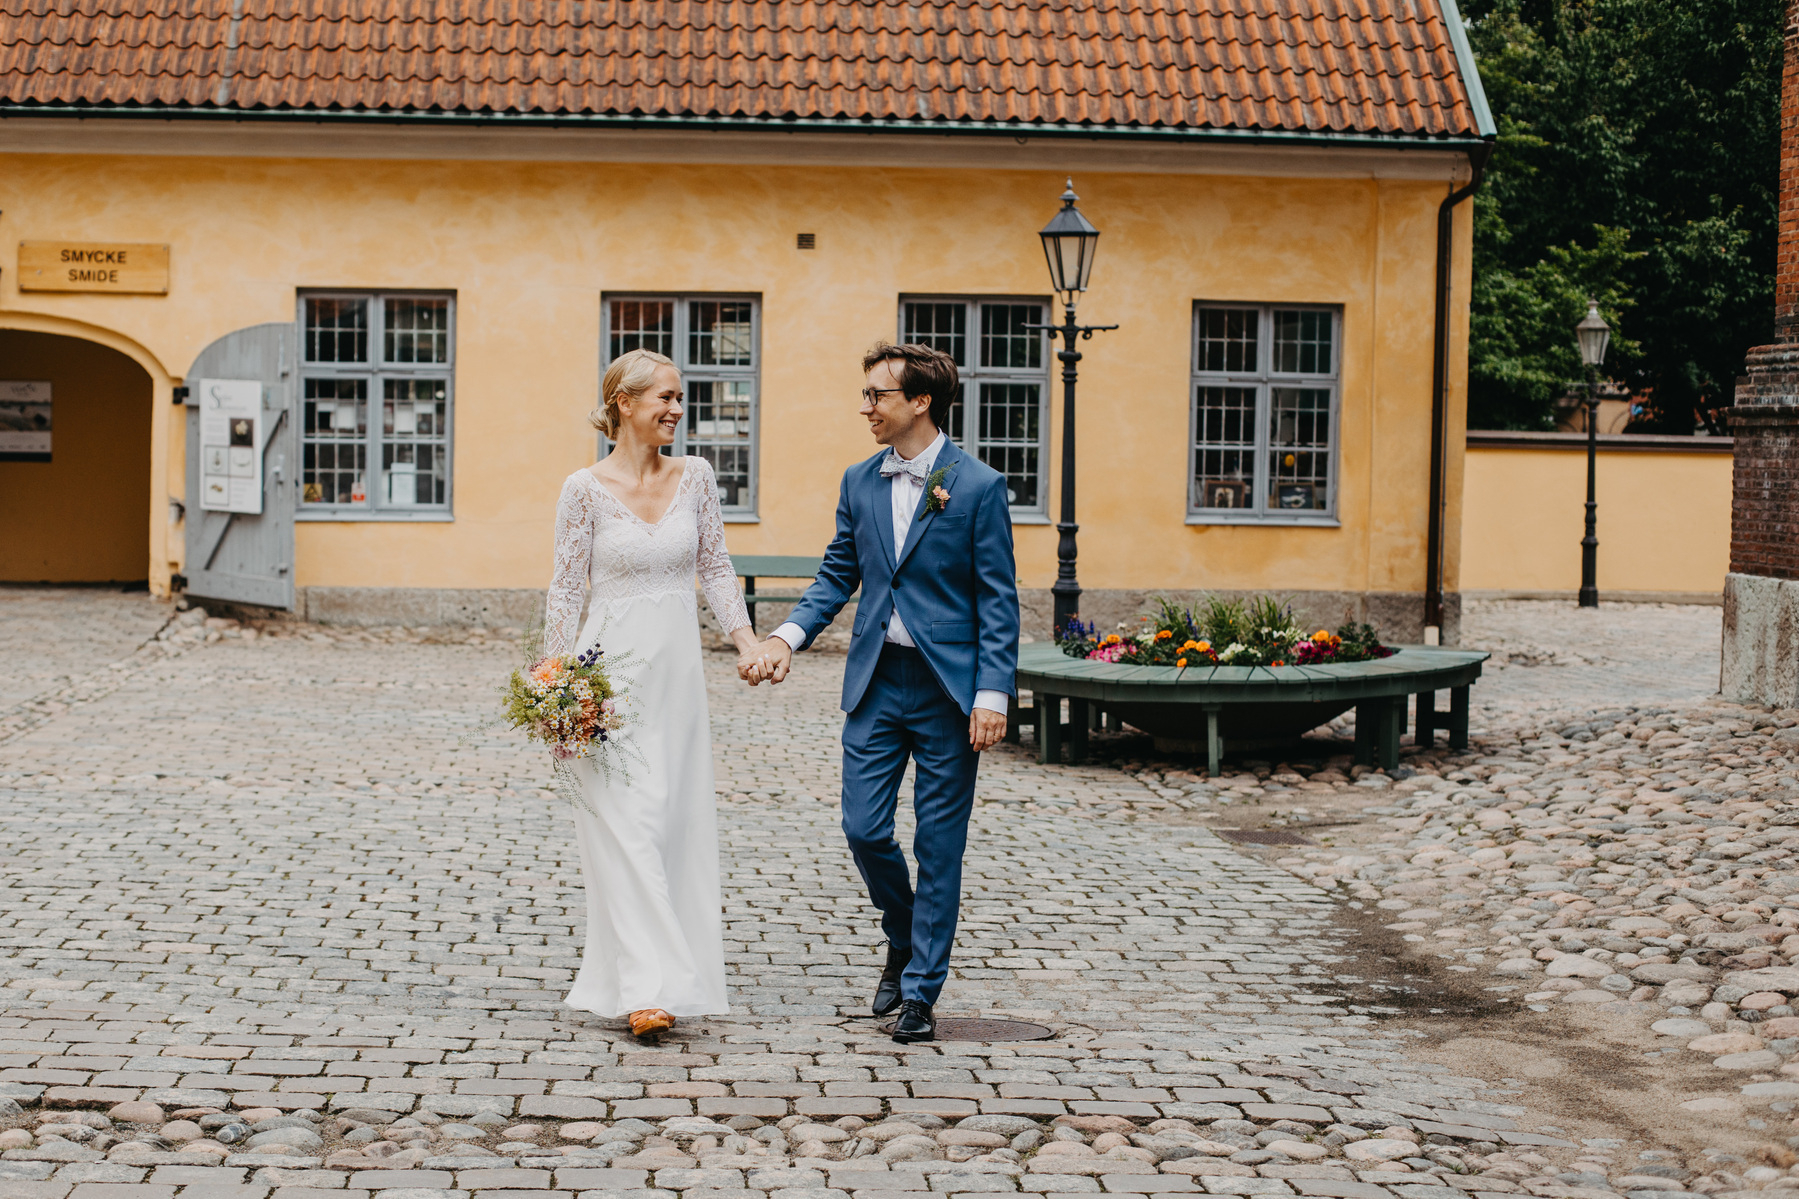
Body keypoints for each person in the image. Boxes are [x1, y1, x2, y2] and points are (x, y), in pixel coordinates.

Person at [745, 342, 1020, 1043]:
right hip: (874, 683)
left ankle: (922, 989)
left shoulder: (978, 486)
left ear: (919, 401)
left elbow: (997, 599)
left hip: (948, 691)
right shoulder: (859, 481)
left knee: (939, 842)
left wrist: (992, 694)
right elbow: (838, 573)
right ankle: (901, 934)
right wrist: (785, 636)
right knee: (863, 829)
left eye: (877, 395)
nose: (864, 407)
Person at [543, 347, 759, 1040]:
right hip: (605, 674)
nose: (675, 408)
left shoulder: (695, 477)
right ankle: (646, 987)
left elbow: (717, 567)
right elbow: (567, 587)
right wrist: (554, 684)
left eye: (678, 396)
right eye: (663, 396)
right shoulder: (582, 487)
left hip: (676, 678)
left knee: (668, 820)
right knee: (625, 824)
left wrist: (747, 640)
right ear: (623, 405)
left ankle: (660, 970)